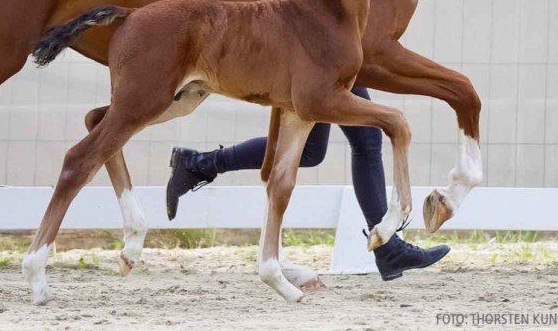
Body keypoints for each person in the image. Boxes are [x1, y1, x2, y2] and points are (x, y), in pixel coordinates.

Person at [167, 86, 450, 281]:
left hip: (328, 46)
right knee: (365, 140)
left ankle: (199, 163)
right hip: (325, 50)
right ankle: (388, 249)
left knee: (313, 150)